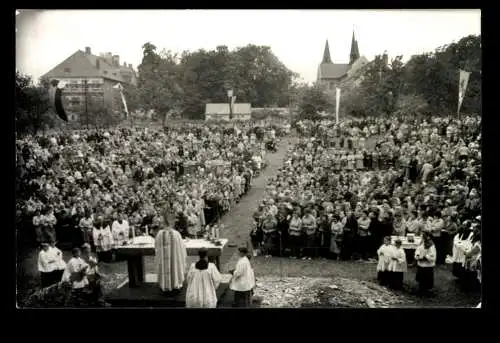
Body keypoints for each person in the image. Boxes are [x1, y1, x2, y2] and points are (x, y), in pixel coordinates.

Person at [155, 208, 187, 295]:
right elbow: (182, 250)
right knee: (175, 265)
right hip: (174, 261)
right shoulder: (176, 234)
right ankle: (175, 285)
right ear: (172, 222)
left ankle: (165, 286)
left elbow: (156, 247)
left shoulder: (159, 234)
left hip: (163, 260)